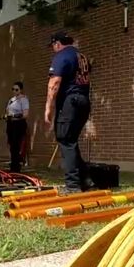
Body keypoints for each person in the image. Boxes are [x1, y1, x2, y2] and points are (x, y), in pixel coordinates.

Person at [44, 31, 93, 192]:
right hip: (84, 101)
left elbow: (54, 82)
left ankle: (72, 186)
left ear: (57, 43)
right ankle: (85, 179)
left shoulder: (61, 55)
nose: (53, 49)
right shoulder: (82, 57)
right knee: (70, 140)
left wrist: (48, 107)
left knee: (65, 140)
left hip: (70, 102)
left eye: (53, 46)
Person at [4, 81, 29, 172]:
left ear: (21, 90)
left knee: (16, 145)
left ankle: (16, 166)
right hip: (11, 124)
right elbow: (7, 110)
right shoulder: (11, 100)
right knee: (11, 145)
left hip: (18, 124)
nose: (15, 91)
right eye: (13, 89)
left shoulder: (23, 99)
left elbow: (25, 114)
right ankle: (13, 163)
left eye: (16, 89)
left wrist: (15, 116)